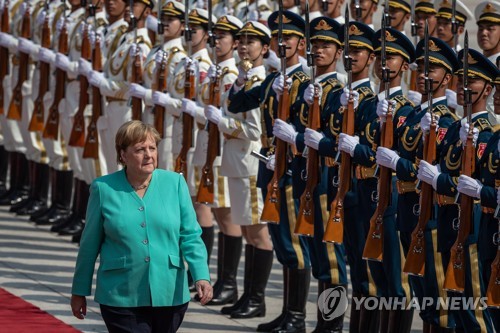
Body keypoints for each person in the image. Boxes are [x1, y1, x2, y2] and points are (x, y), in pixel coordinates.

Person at [70, 120, 213, 333]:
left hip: (169, 292)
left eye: (152, 148)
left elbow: (191, 235)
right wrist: (79, 291)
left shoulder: (175, 183)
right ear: (123, 155)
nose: (148, 155)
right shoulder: (103, 188)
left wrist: (201, 275)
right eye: (140, 149)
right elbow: (89, 244)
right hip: (120, 294)